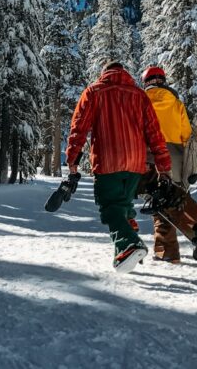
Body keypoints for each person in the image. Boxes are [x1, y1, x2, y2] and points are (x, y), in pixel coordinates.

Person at [66, 62, 172, 273]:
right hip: (135, 163)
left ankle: (129, 245)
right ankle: (124, 253)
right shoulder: (139, 95)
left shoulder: (94, 91)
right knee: (122, 205)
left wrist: (72, 160)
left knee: (110, 208)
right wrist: (163, 166)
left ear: (104, 74)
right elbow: (154, 133)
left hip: (108, 161)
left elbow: (79, 128)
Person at [141, 66, 191, 264]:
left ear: (145, 81)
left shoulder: (141, 101)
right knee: (172, 200)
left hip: (150, 154)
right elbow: (186, 134)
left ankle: (167, 252)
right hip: (175, 155)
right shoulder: (176, 103)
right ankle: (170, 247)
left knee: (158, 201)